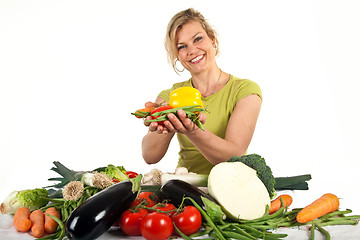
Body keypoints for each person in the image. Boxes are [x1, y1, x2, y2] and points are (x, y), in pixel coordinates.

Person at [141, 8, 262, 174]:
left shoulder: (245, 91)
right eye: (182, 46)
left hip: (231, 190)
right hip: (183, 190)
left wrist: (192, 131)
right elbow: (150, 156)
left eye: (198, 39)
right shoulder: (170, 96)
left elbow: (234, 156)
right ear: (177, 55)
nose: (192, 50)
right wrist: (161, 120)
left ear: (212, 38)